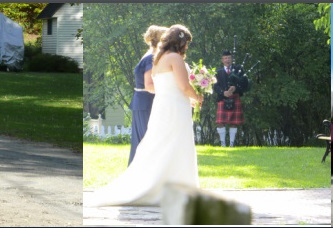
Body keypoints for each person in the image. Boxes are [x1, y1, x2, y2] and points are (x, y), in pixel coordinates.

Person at [85, 24, 204, 208]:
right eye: (186, 43)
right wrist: (197, 96)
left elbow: (168, 86)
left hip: (163, 106)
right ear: (180, 42)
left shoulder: (158, 58)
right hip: (174, 108)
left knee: (160, 145)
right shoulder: (175, 58)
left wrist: (190, 100)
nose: (187, 47)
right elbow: (183, 86)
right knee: (176, 144)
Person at [128, 25, 167, 165]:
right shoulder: (151, 57)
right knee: (146, 140)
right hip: (146, 102)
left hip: (142, 102)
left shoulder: (149, 54)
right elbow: (149, 85)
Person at [214, 50, 245, 147]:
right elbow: (215, 86)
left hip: (235, 97)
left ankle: (231, 144)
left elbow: (244, 82)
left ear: (232, 59)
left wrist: (236, 88)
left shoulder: (238, 69)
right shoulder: (218, 72)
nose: (227, 60)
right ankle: (223, 144)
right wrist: (223, 92)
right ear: (222, 60)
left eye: (229, 58)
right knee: (220, 122)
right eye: (225, 58)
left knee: (233, 122)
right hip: (222, 98)